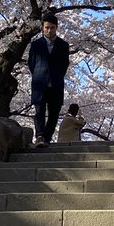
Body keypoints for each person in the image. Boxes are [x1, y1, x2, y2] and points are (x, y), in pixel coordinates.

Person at [27, 11, 70, 147]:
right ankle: (39, 135)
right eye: (46, 27)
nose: (49, 30)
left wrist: (56, 75)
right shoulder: (36, 44)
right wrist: (39, 75)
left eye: (52, 27)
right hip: (40, 82)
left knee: (54, 112)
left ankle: (47, 137)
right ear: (42, 28)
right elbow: (31, 63)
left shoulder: (63, 45)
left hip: (56, 82)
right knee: (39, 110)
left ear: (56, 27)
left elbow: (65, 64)